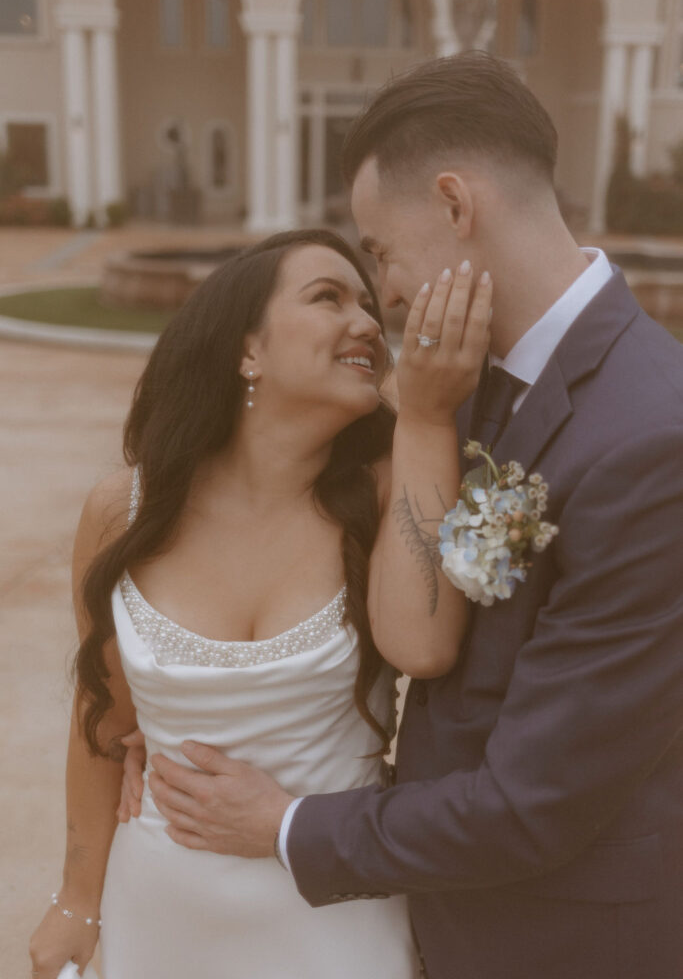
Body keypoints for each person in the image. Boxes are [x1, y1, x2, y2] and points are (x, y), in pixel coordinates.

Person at [122, 53, 683, 979]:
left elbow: (532, 803)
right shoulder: (454, 391)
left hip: (559, 939)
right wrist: (200, 697)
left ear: (456, 205)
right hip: (430, 911)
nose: (381, 294)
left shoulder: (651, 437)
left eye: (379, 252)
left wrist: (285, 823)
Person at [28, 227, 491, 979]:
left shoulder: (385, 491)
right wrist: (78, 902)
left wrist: (426, 419)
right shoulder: (124, 514)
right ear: (247, 351)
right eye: (327, 297)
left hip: (337, 914)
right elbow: (103, 727)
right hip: (163, 911)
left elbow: (427, 646)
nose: (369, 322)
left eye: (370, 305)